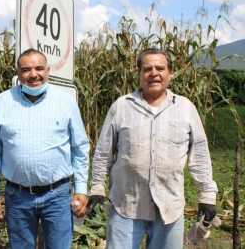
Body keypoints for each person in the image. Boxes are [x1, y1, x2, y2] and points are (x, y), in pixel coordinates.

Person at [87, 48, 218, 249]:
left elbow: (199, 155)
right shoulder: (121, 106)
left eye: (160, 68)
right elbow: (103, 152)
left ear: (170, 74)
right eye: (147, 69)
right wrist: (97, 188)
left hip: (169, 209)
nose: (154, 73)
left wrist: (207, 197)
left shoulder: (185, 108)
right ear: (139, 74)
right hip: (125, 207)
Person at [0, 48, 89, 249]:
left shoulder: (65, 102)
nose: (33, 74)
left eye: (39, 68)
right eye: (26, 69)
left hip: (57, 196)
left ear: (48, 70)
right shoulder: (1, 103)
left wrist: (81, 189)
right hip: (18, 196)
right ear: (18, 72)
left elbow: (80, 147)